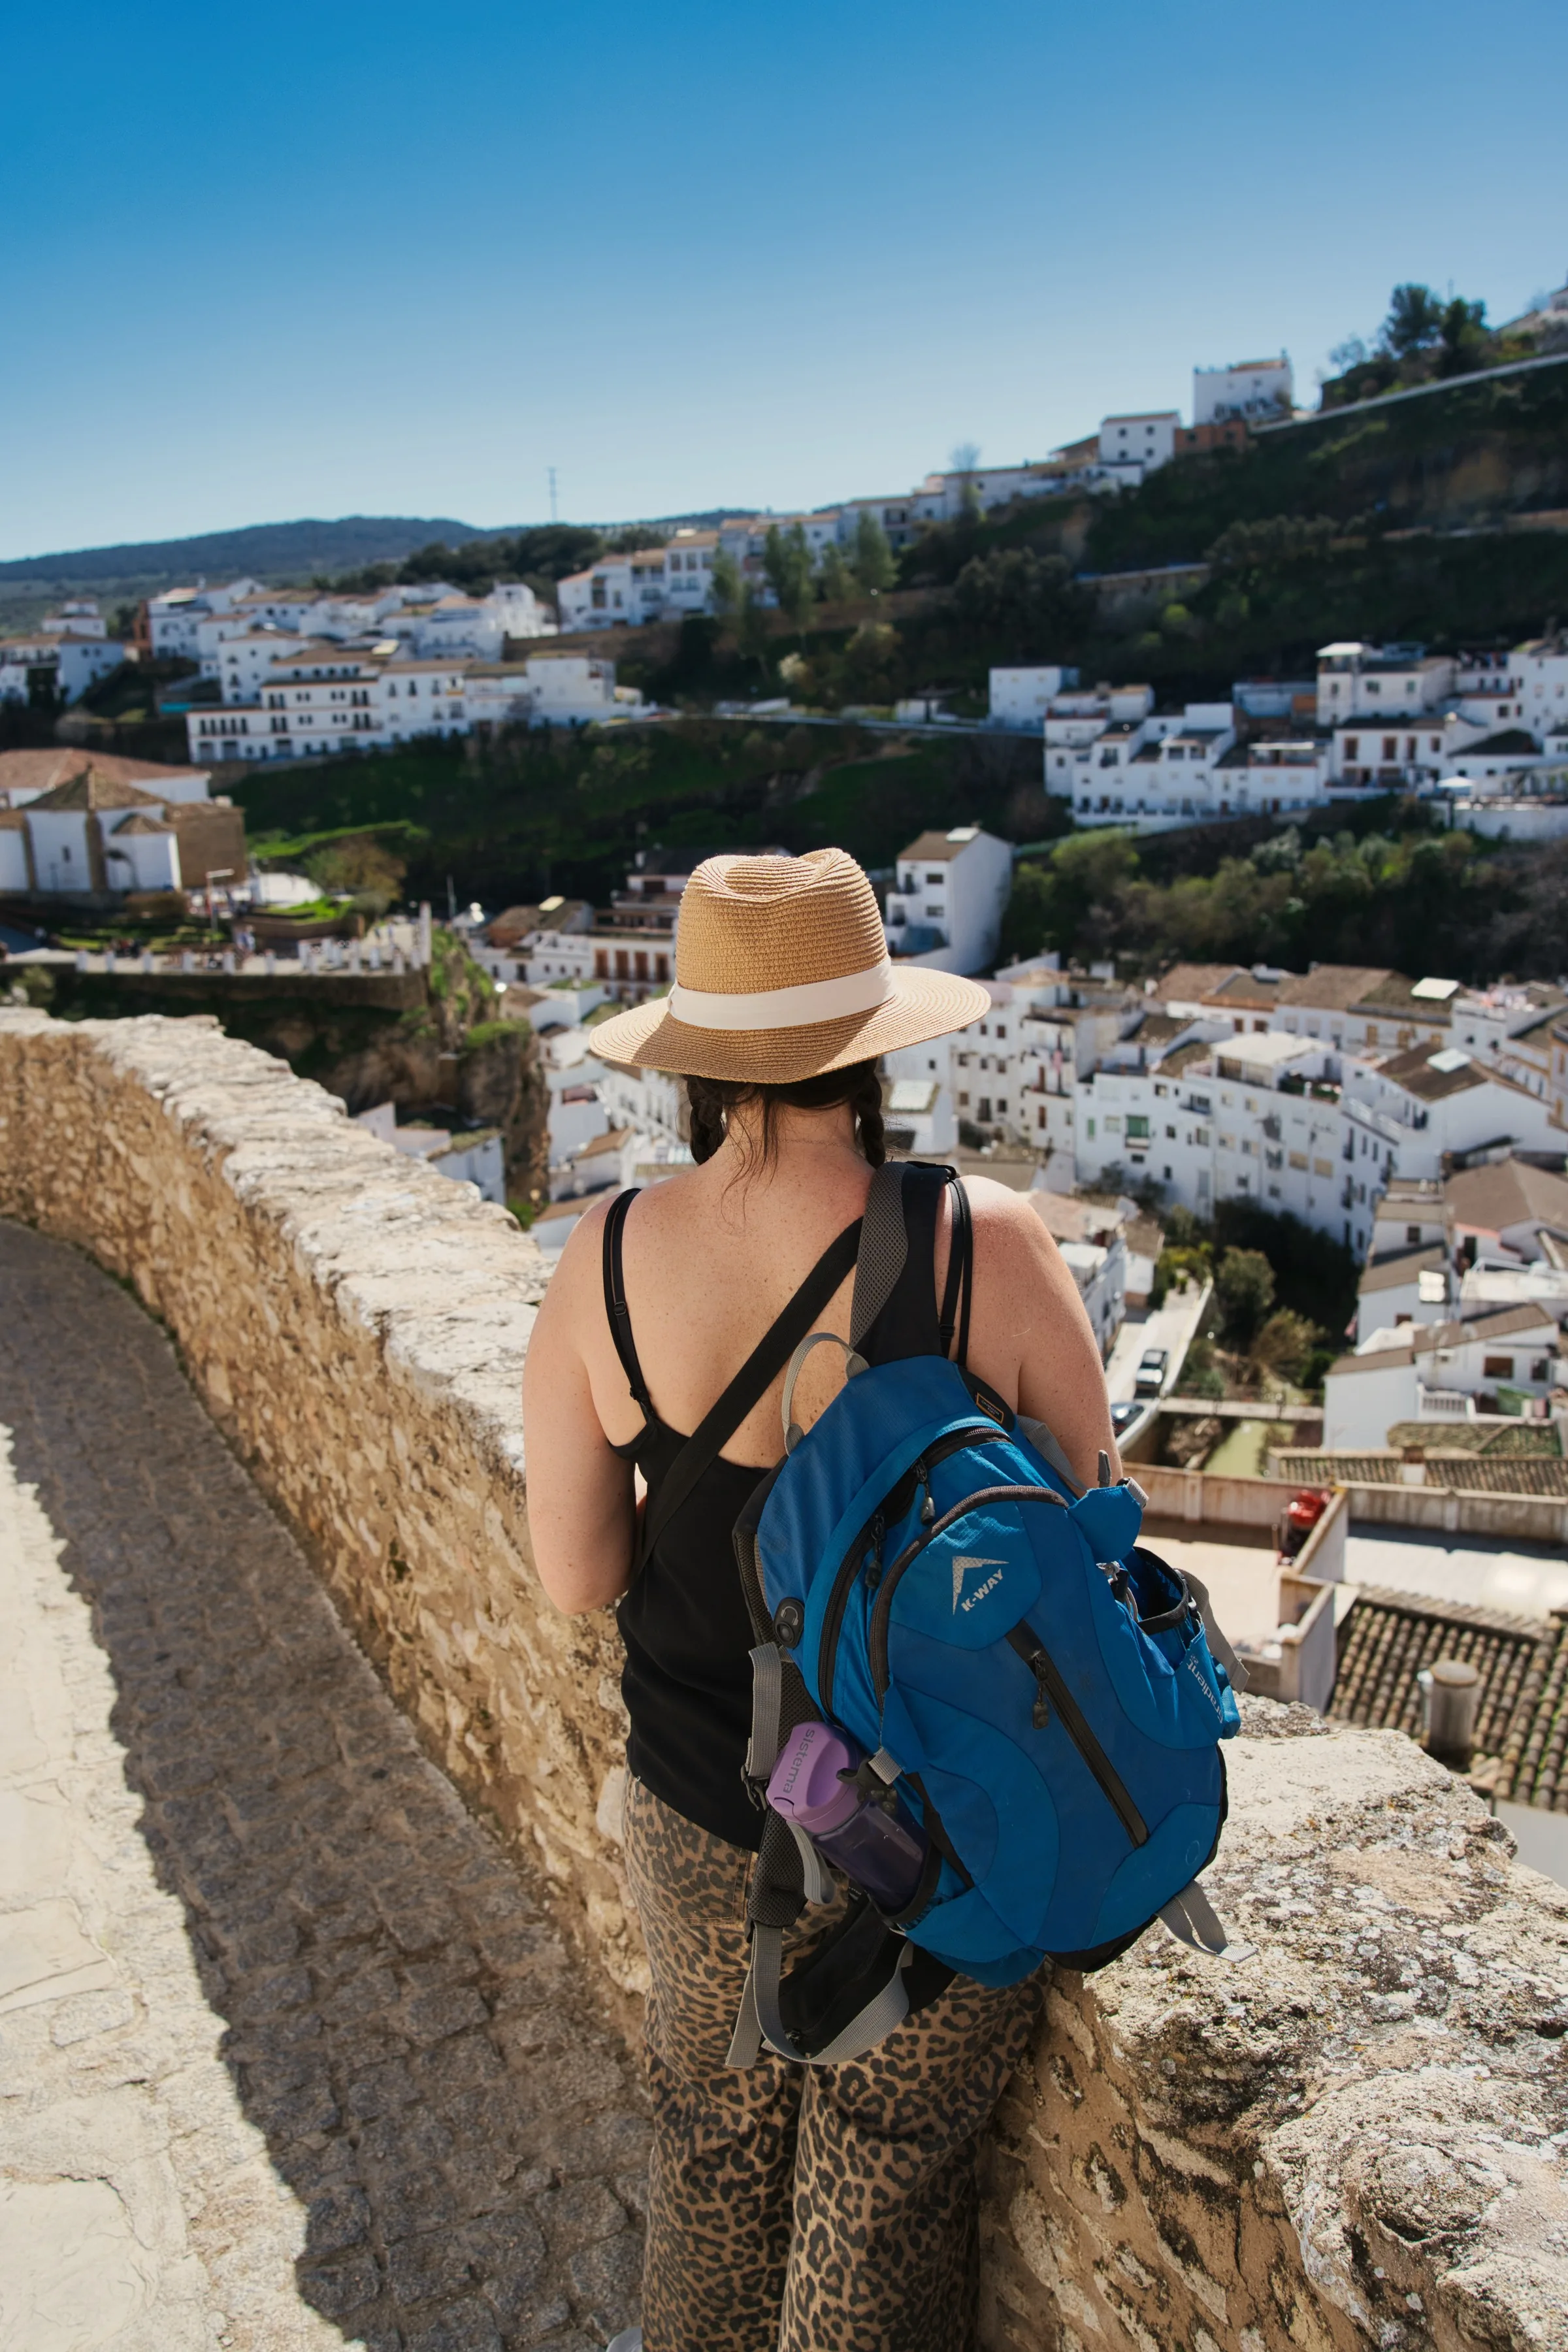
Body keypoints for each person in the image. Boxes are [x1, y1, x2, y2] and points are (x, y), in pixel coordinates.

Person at [524, 848, 1119, 2352]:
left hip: (699, 1788)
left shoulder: (600, 1265)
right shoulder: (983, 1245)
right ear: (872, 1042)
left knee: (711, 2136)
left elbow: (581, 1572)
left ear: (699, 1059)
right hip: (934, 1808)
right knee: (886, 2166)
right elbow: (1093, 1533)